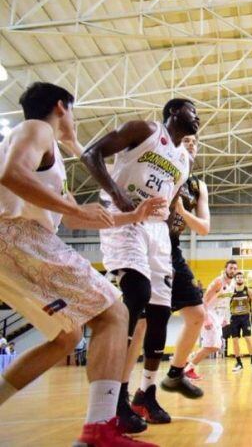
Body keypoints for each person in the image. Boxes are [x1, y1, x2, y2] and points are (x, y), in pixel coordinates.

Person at [0, 82, 162, 446]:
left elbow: (76, 220)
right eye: (72, 111)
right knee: (114, 313)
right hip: (16, 236)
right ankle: (99, 430)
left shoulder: (51, 158)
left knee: (66, 335)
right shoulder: (36, 129)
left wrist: (133, 214)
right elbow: (11, 174)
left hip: (11, 247)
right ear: (62, 107)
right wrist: (72, 208)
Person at [82, 97, 198, 429]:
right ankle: (114, 398)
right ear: (175, 112)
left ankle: (145, 394)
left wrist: (173, 227)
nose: (198, 119)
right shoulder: (144, 130)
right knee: (137, 293)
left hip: (157, 230)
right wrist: (118, 196)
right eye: (193, 112)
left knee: (161, 312)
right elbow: (91, 154)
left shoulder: (184, 160)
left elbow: (172, 199)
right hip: (125, 217)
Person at [160, 134, 209, 400]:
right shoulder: (163, 173)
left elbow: (204, 228)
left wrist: (181, 210)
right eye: (186, 140)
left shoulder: (198, 185)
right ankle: (122, 392)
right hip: (151, 242)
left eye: (195, 141)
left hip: (174, 247)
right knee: (145, 322)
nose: (191, 144)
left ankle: (175, 373)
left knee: (197, 314)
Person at [184, 261, 237, 379]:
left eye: (235, 268)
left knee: (215, 346)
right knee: (214, 345)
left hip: (218, 317)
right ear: (225, 269)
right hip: (209, 314)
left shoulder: (233, 284)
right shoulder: (218, 282)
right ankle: (188, 368)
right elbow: (204, 300)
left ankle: (188, 363)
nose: (233, 270)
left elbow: (227, 302)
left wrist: (225, 317)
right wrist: (206, 319)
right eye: (231, 268)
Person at [229, 272, 252, 372]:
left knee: (248, 338)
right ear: (235, 279)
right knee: (234, 340)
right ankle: (239, 363)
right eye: (237, 277)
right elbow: (226, 305)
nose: (239, 279)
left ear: (243, 279)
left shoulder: (248, 290)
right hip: (234, 318)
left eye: (241, 277)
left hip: (245, 317)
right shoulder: (231, 292)